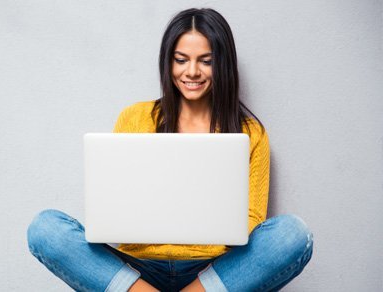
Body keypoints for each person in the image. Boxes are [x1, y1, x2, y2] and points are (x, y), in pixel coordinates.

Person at [27, 8, 313, 292]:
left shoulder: (251, 133)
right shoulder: (135, 117)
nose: (192, 72)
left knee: (293, 235)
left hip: (214, 270)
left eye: (206, 61)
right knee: (46, 229)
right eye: (181, 60)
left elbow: (251, 224)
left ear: (222, 64)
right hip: (138, 269)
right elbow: (113, 208)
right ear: (168, 62)